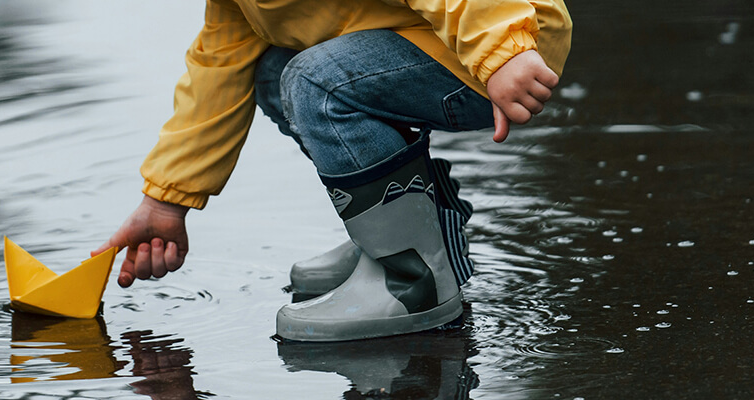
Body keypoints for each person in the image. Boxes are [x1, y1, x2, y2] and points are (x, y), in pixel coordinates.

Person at [93, 0, 571, 341]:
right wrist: (165, 201)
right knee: (271, 69)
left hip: (507, 46)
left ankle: (413, 280)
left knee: (315, 81)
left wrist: (504, 50)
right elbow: (216, 71)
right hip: (441, 42)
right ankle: (410, 227)